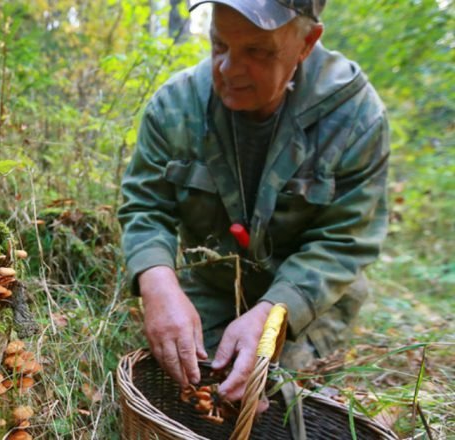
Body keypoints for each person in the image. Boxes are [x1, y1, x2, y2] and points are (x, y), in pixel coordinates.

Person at [118, 0, 389, 403]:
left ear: (306, 42)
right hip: (213, 285)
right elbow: (145, 205)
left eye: (257, 52)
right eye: (219, 44)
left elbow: (344, 241)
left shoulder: (354, 118)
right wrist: (157, 283)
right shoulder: (176, 107)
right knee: (194, 390)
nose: (229, 69)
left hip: (308, 301)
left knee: (279, 397)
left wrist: (276, 311)